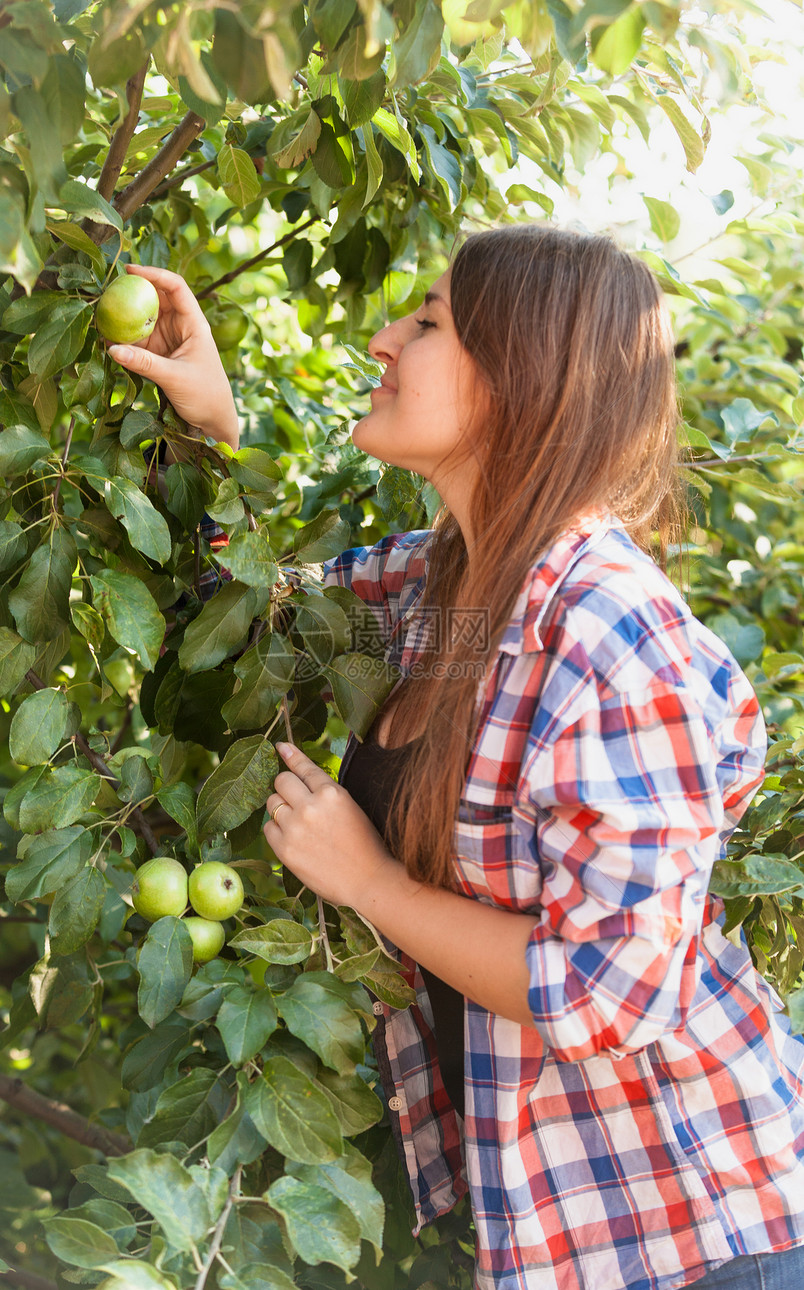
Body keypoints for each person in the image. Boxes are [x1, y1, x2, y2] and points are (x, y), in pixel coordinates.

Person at [108, 225, 804, 1290]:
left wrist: (369, 884)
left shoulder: (608, 634)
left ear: (518, 380)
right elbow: (247, 626)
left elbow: (611, 995)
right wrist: (206, 432)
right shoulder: (449, 595)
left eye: (427, 321)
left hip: (697, 1228)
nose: (384, 338)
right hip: (571, 1225)